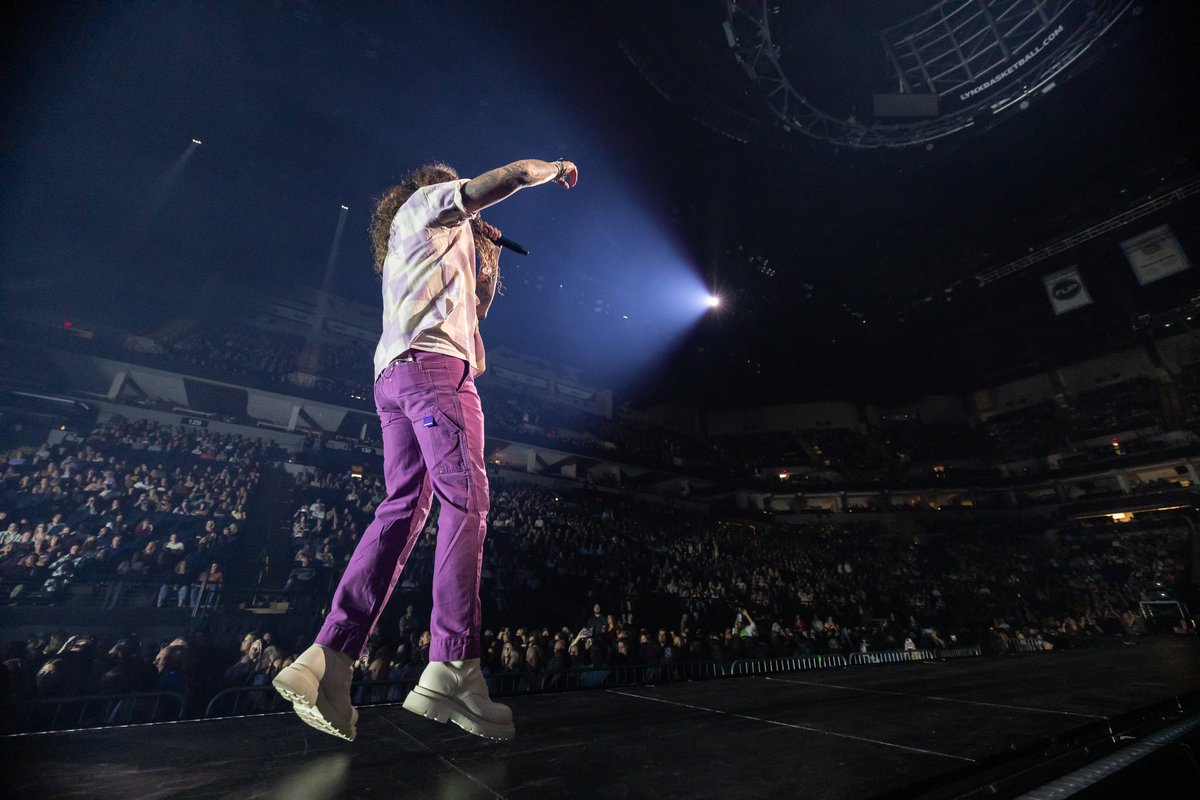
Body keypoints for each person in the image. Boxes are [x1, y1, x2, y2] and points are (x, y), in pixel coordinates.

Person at [274, 156, 578, 743]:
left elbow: (476, 332)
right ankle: (452, 665)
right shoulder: (428, 206)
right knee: (467, 501)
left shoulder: (427, 251)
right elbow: (508, 177)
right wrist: (554, 167)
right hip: (435, 374)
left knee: (405, 508)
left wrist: (482, 270)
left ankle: (329, 658)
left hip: (398, 377)